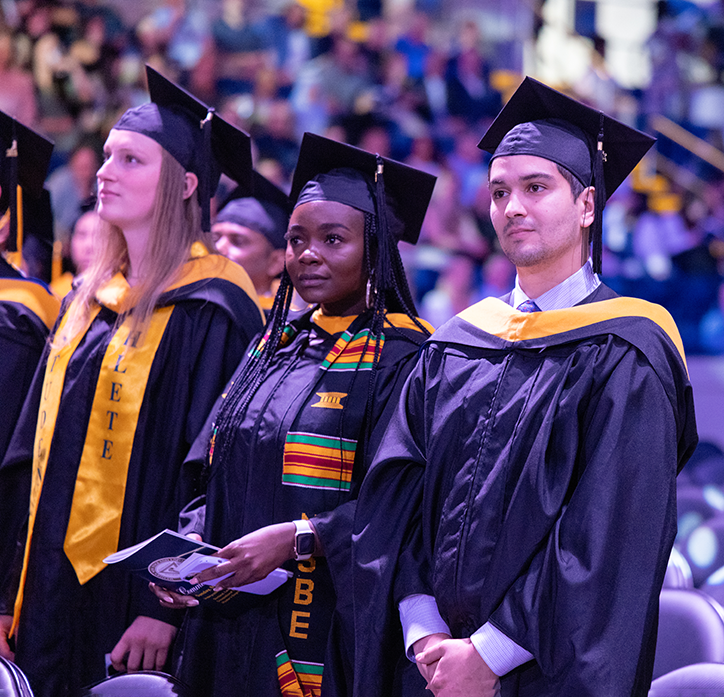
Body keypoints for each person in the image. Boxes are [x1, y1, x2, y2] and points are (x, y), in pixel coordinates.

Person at [351, 76, 699, 697]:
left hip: (540, 674)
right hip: (428, 670)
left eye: (536, 188)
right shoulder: (458, 344)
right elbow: (397, 496)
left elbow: (608, 534)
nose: (512, 207)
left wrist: (486, 657)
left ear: (587, 206)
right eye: (499, 191)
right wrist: (422, 629)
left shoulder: (627, 351)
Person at [0, 65, 264, 696]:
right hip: (46, 592)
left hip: (138, 601)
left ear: (183, 184)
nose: (103, 171)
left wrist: (164, 602)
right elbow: (25, 455)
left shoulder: (216, 308)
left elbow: (214, 470)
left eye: (131, 159)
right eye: (107, 156)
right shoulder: (85, 304)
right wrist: (10, 589)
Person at [150, 132, 437, 696]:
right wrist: (187, 551)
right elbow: (216, 464)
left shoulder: (407, 358)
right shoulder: (271, 347)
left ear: (376, 250)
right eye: (297, 239)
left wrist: (296, 539)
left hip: (325, 625)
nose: (308, 254)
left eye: (334, 239)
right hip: (228, 617)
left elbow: (403, 506)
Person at [213, 171, 289, 313]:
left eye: (238, 241)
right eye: (215, 238)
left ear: (276, 262)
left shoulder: (283, 326)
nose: (219, 248)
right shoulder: (195, 309)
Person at [50, 207, 100, 299]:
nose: (89, 246)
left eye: (99, 237)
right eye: (82, 234)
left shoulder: (120, 293)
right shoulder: (55, 293)